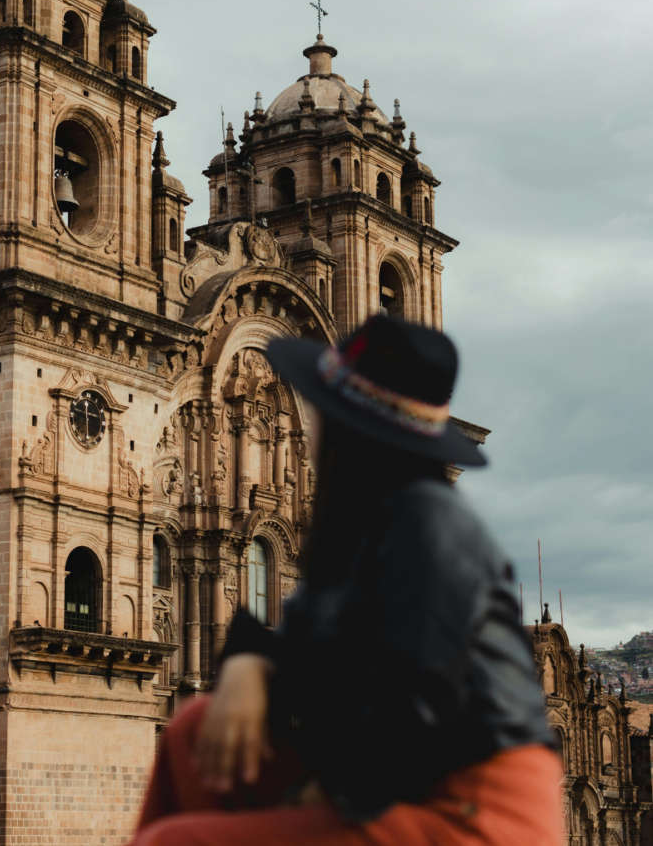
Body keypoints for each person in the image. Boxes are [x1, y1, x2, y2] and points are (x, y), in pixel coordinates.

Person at [129, 316, 563, 846]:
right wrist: (249, 662)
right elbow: (301, 637)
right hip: (395, 773)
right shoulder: (366, 526)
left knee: (176, 842)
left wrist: (331, 789)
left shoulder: (430, 525)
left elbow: (416, 697)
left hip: (471, 807)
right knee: (192, 733)